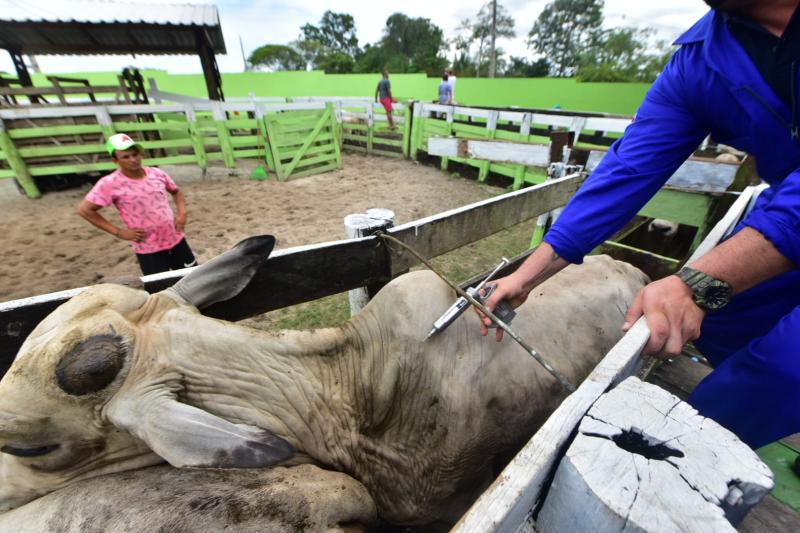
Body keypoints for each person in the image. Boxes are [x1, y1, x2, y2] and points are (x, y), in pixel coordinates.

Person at [479, 0, 800, 450]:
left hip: (790, 220)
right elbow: (627, 171)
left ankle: (677, 460)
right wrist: (526, 276)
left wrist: (696, 285)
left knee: (773, 376)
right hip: (790, 226)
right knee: (723, 322)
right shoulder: (700, 58)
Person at [77, 133, 197, 276]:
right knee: (160, 288)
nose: (133, 160)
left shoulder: (156, 173)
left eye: (135, 154)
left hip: (176, 238)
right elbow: (85, 210)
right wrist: (119, 232)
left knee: (192, 279)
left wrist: (182, 213)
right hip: (149, 247)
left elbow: (176, 192)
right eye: (126, 157)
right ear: (115, 160)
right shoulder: (109, 183)